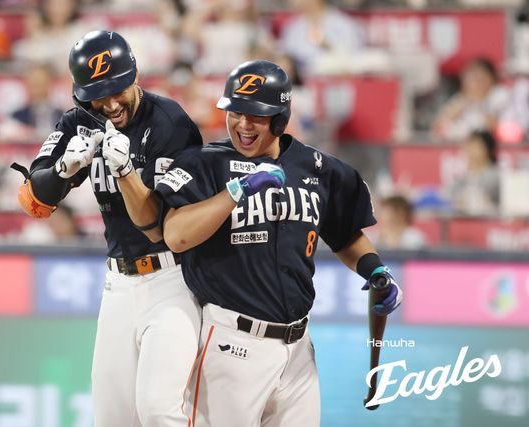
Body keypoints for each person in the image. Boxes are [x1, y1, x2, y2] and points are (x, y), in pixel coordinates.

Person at [154, 60, 403, 426]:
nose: (243, 124)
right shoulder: (204, 163)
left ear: (280, 118)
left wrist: (374, 268)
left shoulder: (318, 168)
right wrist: (236, 191)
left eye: (255, 115)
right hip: (231, 343)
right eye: (235, 112)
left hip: (299, 350)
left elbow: (346, 235)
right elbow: (175, 236)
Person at [12, 30, 203, 427]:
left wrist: (126, 171)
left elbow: (160, 227)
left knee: (158, 409)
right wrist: (63, 169)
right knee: (111, 418)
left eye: (118, 90)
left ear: (135, 76)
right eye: (99, 95)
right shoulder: (80, 120)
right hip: (118, 283)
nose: (111, 104)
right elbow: (33, 202)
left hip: (173, 279)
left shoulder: (170, 122)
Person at [433, 57, 509, 142]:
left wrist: (478, 104)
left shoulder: (499, 95)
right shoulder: (460, 99)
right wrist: (463, 104)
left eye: (480, 77)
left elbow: (500, 127)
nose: (475, 82)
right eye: (470, 77)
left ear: (491, 78)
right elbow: (438, 127)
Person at [447, 130, 500, 216]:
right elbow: (450, 197)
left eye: (476, 146)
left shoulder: (495, 176)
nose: (470, 150)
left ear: (488, 150)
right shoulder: (461, 178)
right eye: (468, 146)